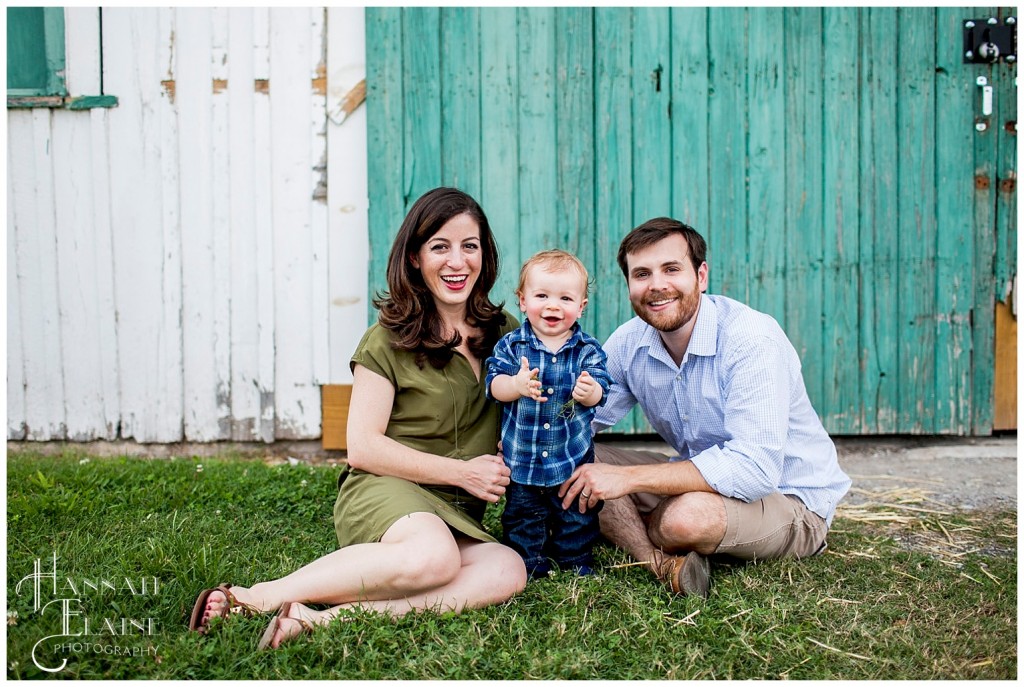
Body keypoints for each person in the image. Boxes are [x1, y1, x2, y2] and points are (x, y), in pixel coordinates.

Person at [189, 187, 527, 648]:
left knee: (507, 568)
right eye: (439, 247)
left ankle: (318, 621)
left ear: (484, 255)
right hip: (385, 486)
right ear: (414, 258)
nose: (457, 262)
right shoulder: (387, 339)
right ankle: (255, 596)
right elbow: (363, 447)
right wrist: (461, 472)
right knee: (434, 557)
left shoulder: (507, 334)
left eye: (470, 246)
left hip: (457, 509)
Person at [558, 217, 852, 598]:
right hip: (705, 482)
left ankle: (637, 527)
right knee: (573, 456)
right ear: (629, 285)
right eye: (642, 274)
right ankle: (660, 562)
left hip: (789, 499)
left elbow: (754, 470)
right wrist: (529, 439)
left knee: (685, 519)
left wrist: (628, 481)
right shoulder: (630, 342)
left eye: (671, 269)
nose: (657, 285)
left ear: (701, 275)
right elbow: (583, 419)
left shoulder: (751, 339)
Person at [485, 250, 612, 578]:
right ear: (523, 300)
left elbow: (602, 387)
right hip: (523, 459)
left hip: (570, 457)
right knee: (524, 516)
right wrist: (516, 384)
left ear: (581, 306)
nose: (553, 306)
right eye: (542, 295)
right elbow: (494, 385)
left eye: (565, 298)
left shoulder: (587, 350)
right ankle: (528, 562)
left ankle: (575, 561)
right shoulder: (512, 347)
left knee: (576, 516)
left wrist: (591, 392)